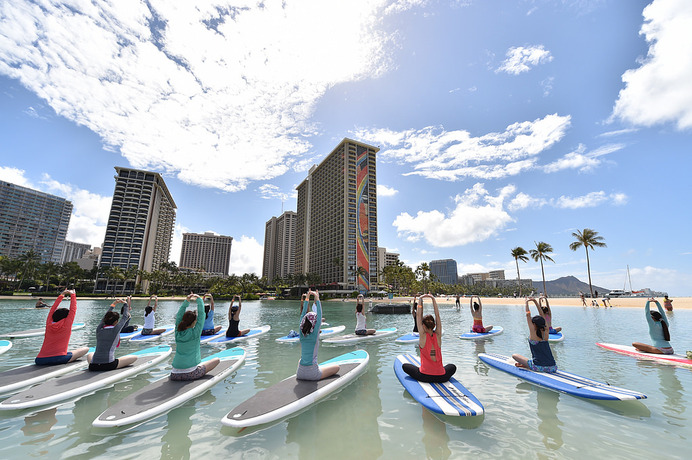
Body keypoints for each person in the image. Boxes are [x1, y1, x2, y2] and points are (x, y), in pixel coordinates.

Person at [402, 293, 456, 383]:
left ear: (423, 326)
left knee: (405, 366)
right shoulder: (438, 335)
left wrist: (420, 299)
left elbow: (418, 316)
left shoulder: (422, 336)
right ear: (434, 325)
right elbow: (437, 316)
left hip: (425, 376)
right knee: (452, 367)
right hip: (441, 377)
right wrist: (433, 300)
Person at [171, 293, 220, 381]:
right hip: (191, 373)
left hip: (174, 374)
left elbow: (179, 316)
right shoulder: (195, 333)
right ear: (194, 322)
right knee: (216, 360)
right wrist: (199, 300)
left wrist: (186, 301)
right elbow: (202, 315)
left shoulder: (177, 332)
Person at [35, 289, 89, 365]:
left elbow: (53, 308)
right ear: (66, 317)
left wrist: (62, 294)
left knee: (68, 352)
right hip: (59, 358)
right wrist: (73, 295)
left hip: (40, 360)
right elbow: (73, 309)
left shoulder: (49, 323)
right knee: (86, 349)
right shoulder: (67, 324)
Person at [297, 290, 339, 380]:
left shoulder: (301, 332)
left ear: (304, 321)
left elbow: (303, 314)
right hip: (312, 373)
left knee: (301, 360)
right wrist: (317, 297)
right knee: (337, 368)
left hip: (299, 372)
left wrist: (307, 297)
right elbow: (319, 314)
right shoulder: (315, 334)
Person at [87, 298, 137, 371]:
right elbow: (125, 317)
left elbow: (103, 318)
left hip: (93, 366)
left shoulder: (99, 329)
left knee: (90, 354)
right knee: (134, 357)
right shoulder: (115, 330)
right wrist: (125, 304)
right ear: (116, 321)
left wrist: (113, 304)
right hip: (108, 365)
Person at [512, 298, 557, 373]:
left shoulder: (533, 333)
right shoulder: (546, 332)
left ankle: (528, 366)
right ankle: (526, 365)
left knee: (514, 355)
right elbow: (542, 315)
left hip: (538, 367)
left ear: (534, 324)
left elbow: (528, 314)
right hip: (552, 367)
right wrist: (535, 302)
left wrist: (526, 303)